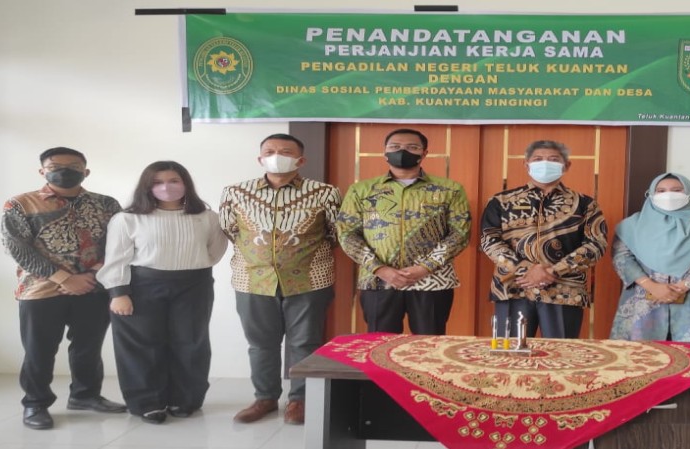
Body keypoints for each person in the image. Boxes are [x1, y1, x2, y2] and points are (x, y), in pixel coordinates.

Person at [1, 146, 126, 430]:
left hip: (94, 287)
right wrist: (64, 278)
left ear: (86, 171)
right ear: (42, 171)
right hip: (40, 290)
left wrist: (92, 274)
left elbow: (120, 243)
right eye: (56, 166)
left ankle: (85, 395)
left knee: (88, 348)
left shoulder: (106, 204)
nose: (65, 171)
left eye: (74, 166)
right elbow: (17, 248)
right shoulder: (20, 204)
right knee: (39, 351)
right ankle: (35, 404)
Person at [220, 134, 340, 425]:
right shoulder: (235, 192)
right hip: (252, 280)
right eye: (270, 151)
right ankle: (265, 398)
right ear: (260, 158)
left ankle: (300, 400)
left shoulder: (325, 192)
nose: (277, 156)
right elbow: (230, 229)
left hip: (310, 278)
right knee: (261, 343)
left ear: (301, 160)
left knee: (305, 342)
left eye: (286, 151)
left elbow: (335, 234)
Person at [96, 161, 227, 424]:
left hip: (194, 285)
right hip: (141, 286)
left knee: (191, 343)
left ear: (185, 183)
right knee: (142, 346)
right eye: (157, 182)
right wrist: (118, 292)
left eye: (173, 181)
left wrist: (190, 265)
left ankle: (185, 399)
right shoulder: (127, 219)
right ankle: (147, 403)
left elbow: (215, 250)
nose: (166, 187)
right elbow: (116, 257)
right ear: (147, 186)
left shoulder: (207, 217)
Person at [336, 128, 471, 335]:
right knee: (381, 343)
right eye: (395, 146)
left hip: (432, 281)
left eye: (412, 147)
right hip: (378, 280)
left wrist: (425, 267)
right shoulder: (361, 190)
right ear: (385, 152)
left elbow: (460, 233)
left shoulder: (450, 189)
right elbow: (347, 233)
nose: (402, 151)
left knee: (429, 344)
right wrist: (380, 269)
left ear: (424, 153)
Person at [480, 140, 608, 339]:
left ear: (566, 165)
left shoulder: (585, 204)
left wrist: (554, 271)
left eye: (553, 159)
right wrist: (527, 269)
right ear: (526, 165)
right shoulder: (501, 201)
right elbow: (489, 241)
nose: (545, 163)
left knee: (561, 352)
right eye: (538, 159)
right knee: (511, 352)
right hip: (514, 287)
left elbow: (596, 244)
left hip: (566, 291)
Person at [609, 172, 690, 347]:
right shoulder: (630, 226)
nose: (669, 195)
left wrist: (683, 286)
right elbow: (622, 257)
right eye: (661, 191)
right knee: (642, 356)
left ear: (689, 193)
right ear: (650, 194)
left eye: (677, 190)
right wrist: (651, 286)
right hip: (644, 302)